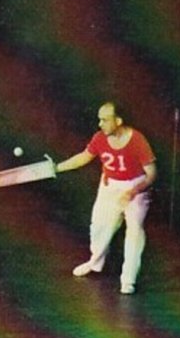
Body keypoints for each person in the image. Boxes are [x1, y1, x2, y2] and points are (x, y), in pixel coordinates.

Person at [55, 102, 157, 295]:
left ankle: (128, 280)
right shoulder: (99, 138)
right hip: (110, 187)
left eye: (104, 120)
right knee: (100, 228)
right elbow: (84, 157)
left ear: (118, 121)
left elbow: (151, 174)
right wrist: (58, 167)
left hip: (136, 187)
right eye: (99, 119)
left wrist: (134, 191)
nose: (100, 124)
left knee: (135, 231)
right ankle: (95, 263)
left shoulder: (137, 140)